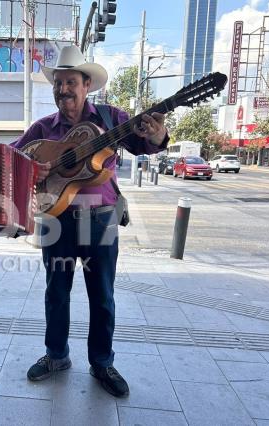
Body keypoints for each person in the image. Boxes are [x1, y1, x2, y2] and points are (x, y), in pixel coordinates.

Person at [11, 45, 169, 398]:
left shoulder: (112, 119)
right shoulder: (42, 128)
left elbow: (147, 144)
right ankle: (56, 355)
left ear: (86, 85)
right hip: (57, 218)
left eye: (70, 82)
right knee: (56, 291)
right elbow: (14, 155)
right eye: (58, 83)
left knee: (102, 296)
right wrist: (34, 167)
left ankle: (102, 362)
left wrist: (157, 135)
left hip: (100, 219)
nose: (63, 89)